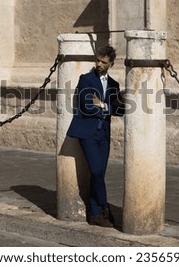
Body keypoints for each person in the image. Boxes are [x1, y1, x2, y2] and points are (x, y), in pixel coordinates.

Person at [67, 45, 124, 228]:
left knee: (99, 174)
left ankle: (94, 214)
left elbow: (121, 109)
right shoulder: (86, 79)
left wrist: (103, 105)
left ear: (111, 64)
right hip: (88, 133)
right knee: (97, 171)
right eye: (97, 60)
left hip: (104, 134)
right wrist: (105, 107)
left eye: (104, 62)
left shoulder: (114, 85)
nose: (99, 64)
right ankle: (104, 206)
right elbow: (85, 105)